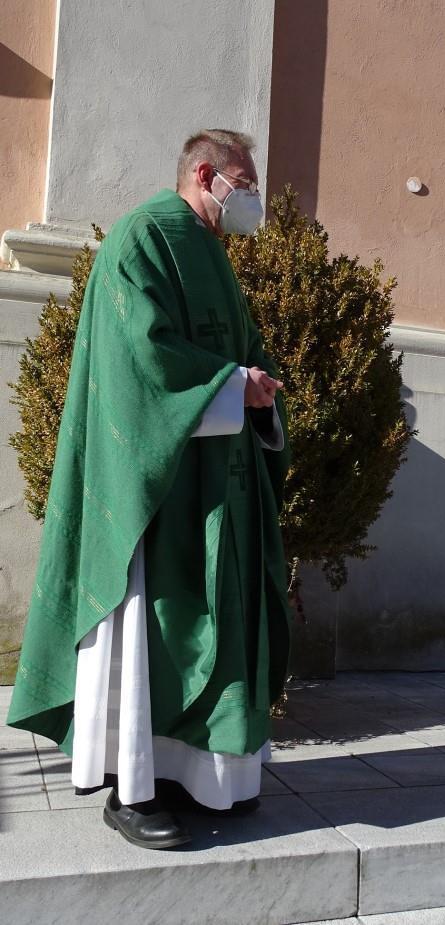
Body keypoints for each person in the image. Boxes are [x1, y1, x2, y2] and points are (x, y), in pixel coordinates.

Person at [7, 129, 292, 847]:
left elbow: (242, 348)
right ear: (206, 173)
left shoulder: (213, 252)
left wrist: (257, 388)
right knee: (153, 632)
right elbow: (139, 357)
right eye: (245, 184)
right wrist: (231, 386)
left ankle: (209, 778)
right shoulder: (143, 236)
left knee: (219, 630)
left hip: (218, 481)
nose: (253, 200)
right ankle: (132, 789)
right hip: (160, 487)